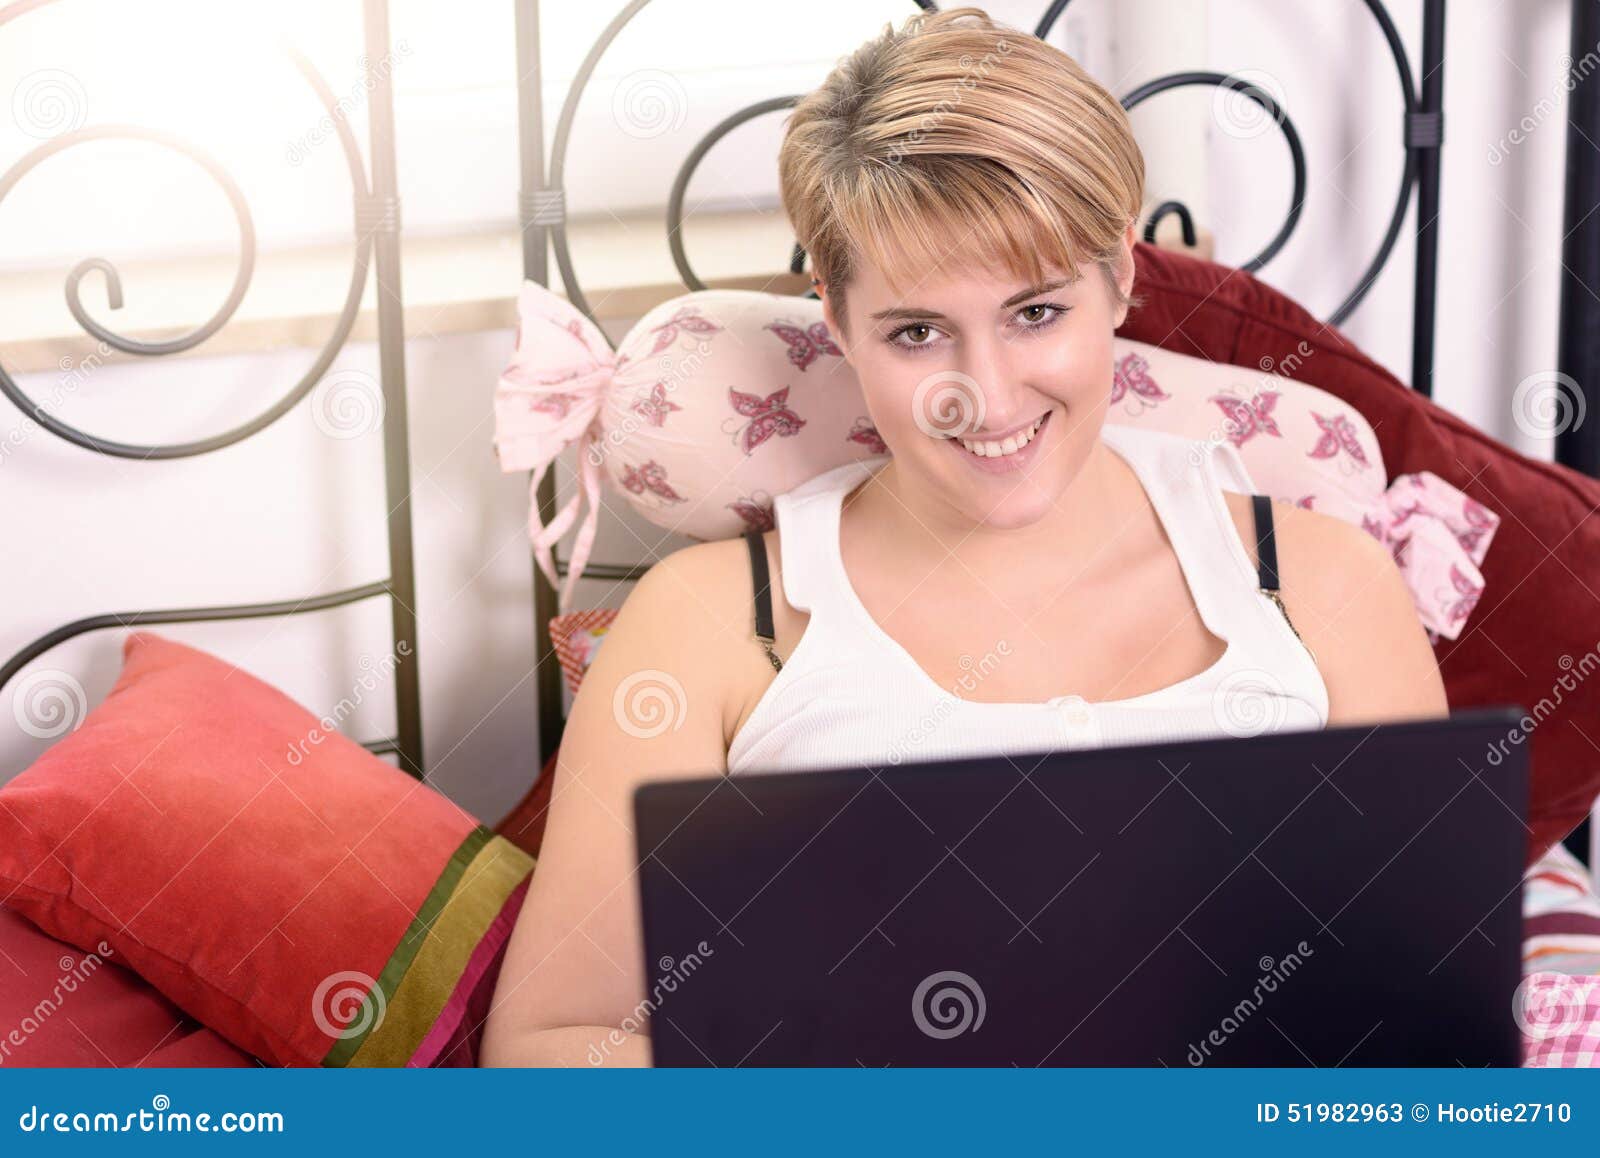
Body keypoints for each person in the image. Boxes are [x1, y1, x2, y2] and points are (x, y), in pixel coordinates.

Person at [478, 6, 1446, 1068]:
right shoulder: (711, 625)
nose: (980, 399)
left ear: (1119, 280)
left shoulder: (1322, 587)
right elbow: (553, 1045)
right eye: (915, 332)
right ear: (836, 325)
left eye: (1035, 313)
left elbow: (1429, 1029)